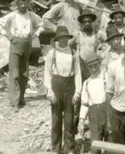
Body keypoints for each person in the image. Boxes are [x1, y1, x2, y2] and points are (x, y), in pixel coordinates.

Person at [0, 0, 43, 109]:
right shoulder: (12, 15)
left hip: (27, 43)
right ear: (17, 4)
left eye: (25, 3)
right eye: (21, 3)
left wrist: (35, 34)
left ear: (28, 4)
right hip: (16, 43)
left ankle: (21, 99)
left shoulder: (31, 15)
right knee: (15, 74)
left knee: (24, 73)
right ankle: (14, 102)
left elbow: (41, 25)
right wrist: (9, 36)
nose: (23, 5)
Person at [44, 26, 82, 154]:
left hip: (69, 87)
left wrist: (77, 92)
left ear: (68, 38)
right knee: (56, 120)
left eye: (65, 37)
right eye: (61, 38)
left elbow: (77, 73)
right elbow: (47, 73)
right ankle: (56, 148)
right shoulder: (52, 53)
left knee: (69, 120)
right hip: (56, 87)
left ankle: (69, 148)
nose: (63, 40)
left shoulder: (73, 53)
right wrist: (49, 90)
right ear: (57, 39)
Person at [71, 8, 106, 134]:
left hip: (93, 67)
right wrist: (74, 57)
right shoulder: (77, 35)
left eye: (89, 21)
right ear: (82, 23)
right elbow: (67, 46)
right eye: (85, 22)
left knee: (95, 94)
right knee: (80, 94)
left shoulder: (98, 34)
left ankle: (95, 125)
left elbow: (107, 44)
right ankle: (76, 125)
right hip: (80, 66)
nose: (87, 24)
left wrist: (101, 53)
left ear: (92, 22)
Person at [78, 54, 107, 154]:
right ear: (87, 68)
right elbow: (84, 104)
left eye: (95, 65)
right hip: (94, 115)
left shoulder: (106, 77)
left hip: (107, 113)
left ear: (99, 63)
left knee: (111, 146)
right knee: (95, 147)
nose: (93, 69)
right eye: (90, 66)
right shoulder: (87, 83)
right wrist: (81, 121)